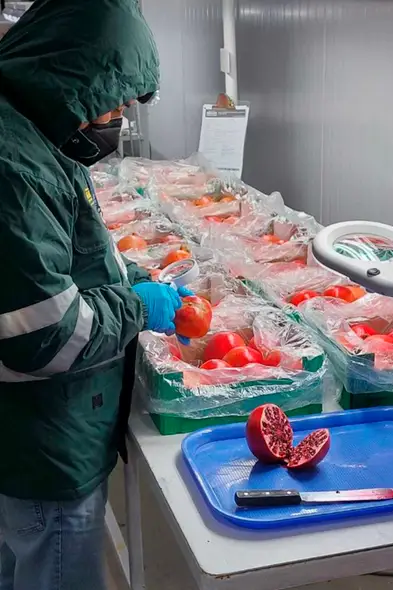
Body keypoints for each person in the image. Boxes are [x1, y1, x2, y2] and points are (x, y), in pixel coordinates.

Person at [0, 1, 186, 589]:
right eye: (114, 100)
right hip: (45, 441)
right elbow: (44, 337)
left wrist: (118, 273)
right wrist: (136, 306)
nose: (117, 119)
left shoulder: (40, 132)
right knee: (55, 569)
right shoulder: (15, 166)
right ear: (74, 78)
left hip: (42, 431)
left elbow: (57, 253)